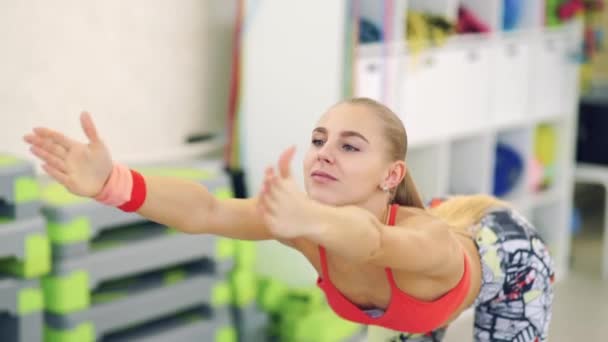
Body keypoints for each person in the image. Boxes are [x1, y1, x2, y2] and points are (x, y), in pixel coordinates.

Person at [23, 97, 554, 341]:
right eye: (319, 140)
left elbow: (371, 242)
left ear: (390, 174)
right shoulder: (308, 225)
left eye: (349, 146)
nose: (323, 153)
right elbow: (208, 210)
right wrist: (115, 183)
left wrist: (308, 219)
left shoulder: (426, 241)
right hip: (421, 236)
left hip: (505, 257)